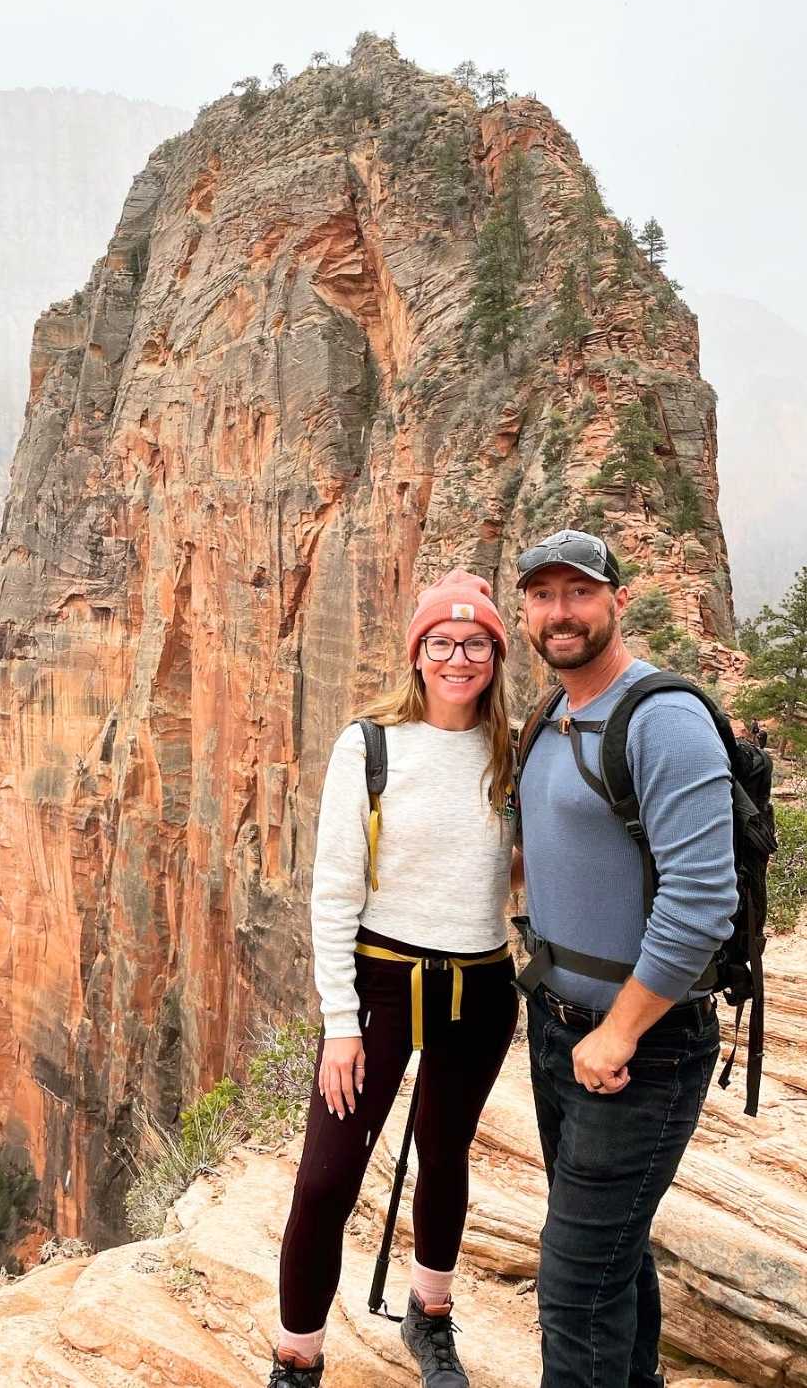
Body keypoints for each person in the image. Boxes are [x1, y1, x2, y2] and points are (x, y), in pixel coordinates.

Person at [268, 570, 520, 1388]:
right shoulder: (370, 745)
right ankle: (296, 1358)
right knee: (327, 1180)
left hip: (480, 989)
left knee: (443, 1156)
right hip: (381, 989)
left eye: (474, 642)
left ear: (494, 654)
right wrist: (339, 1021)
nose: (457, 657)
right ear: (417, 655)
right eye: (440, 643)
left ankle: (430, 1315)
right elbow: (335, 888)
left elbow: (527, 866)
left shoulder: (513, 751)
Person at [512, 529, 739, 1388]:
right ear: (526, 610)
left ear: (617, 601)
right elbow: (542, 858)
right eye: (543, 595)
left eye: (579, 593)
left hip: (642, 1048)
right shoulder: (551, 717)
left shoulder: (665, 719)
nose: (560, 612)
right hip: (558, 1031)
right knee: (609, 1257)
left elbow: (701, 901)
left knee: (572, 1290)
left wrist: (617, 1034)